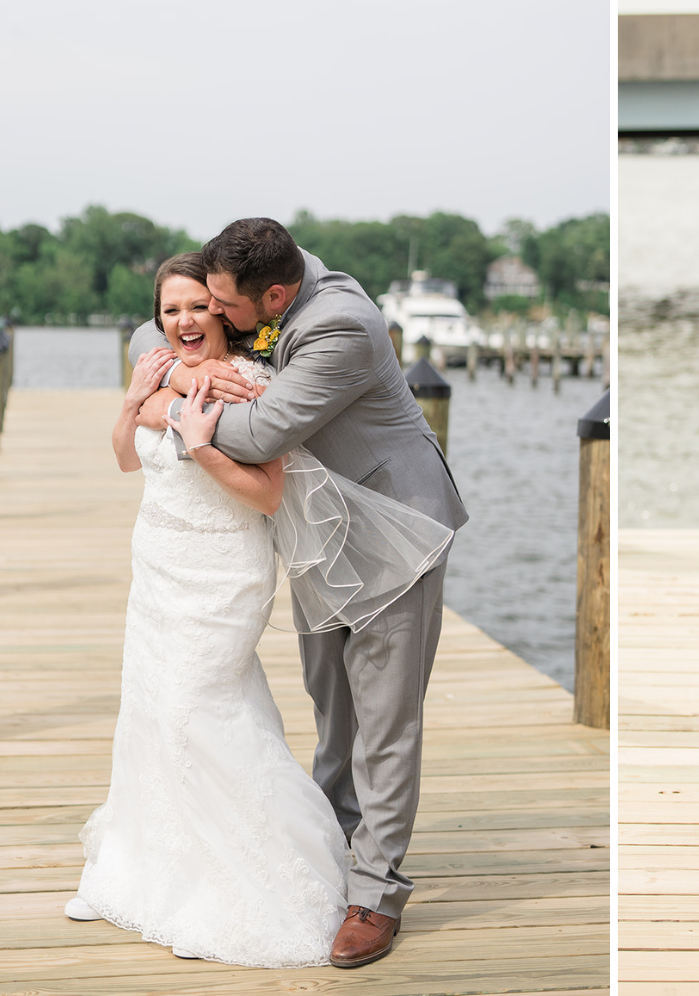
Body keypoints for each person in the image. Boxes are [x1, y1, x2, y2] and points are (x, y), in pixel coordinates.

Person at [128, 219, 468, 968]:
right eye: (208, 302)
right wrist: (185, 375)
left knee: (384, 718)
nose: (211, 318)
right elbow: (143, 336)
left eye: (224, 309)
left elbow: (257, 435)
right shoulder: (254, 282)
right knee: (330, 703)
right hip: (317, 529)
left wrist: (166, 404)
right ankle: (333, 849)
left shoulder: (342, 325)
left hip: (394, 531)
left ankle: (377, 894)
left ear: (274, 295)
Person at [67, 254, 350, 966]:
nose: (185, 321)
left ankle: (249, 879)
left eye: (197, 307)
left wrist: (202, 446)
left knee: (199, 707)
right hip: (157, 564)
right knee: (152, 709)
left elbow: (268, 495)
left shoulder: (253, 382)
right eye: (171, 311)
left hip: (224, 570)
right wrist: (136, 398)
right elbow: (127, 460)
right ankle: (149, 871)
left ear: (223, 310)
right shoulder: (159, 368)